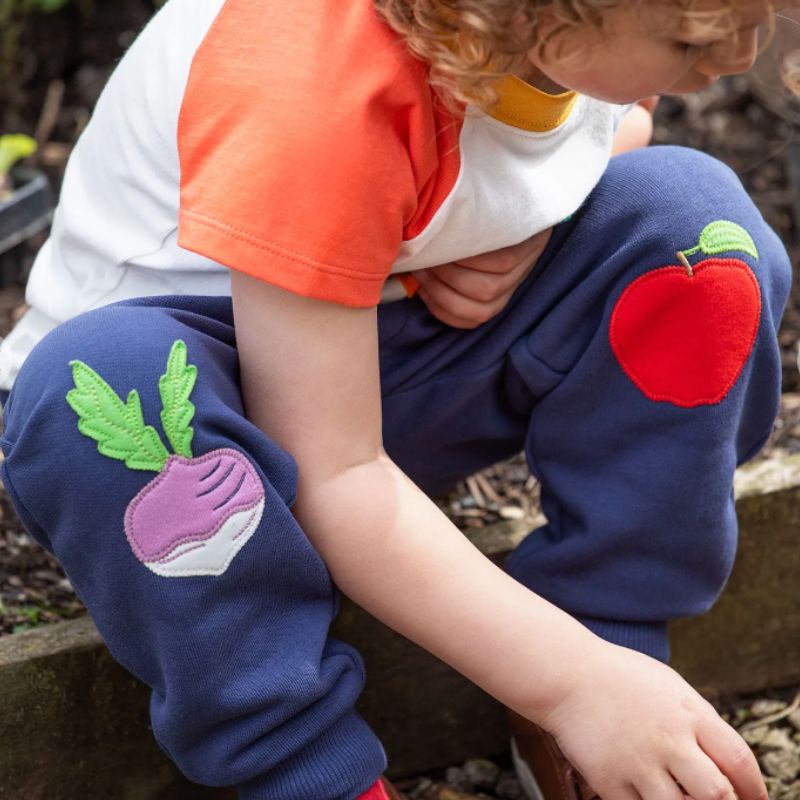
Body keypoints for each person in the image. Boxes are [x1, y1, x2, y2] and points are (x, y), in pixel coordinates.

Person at [0, 0, 794, 798]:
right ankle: (310, 773)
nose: (738, 57)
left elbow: (615, 115)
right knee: (94, 387)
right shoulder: (314, 83)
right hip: (214, 442)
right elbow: (336, 469)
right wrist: (572, 681)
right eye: (695, 38)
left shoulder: (567, 31)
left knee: (698, 231)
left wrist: (521, 226)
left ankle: (609, 643)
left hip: (390, 363)